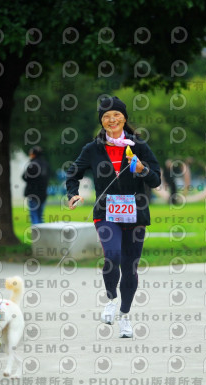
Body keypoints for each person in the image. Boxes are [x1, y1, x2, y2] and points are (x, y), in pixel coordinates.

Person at [66, 96, 161, 338]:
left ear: (124, 118)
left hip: (136, 213)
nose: (112, 120)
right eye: (106, 116)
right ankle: (111, 298)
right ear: (102, 121)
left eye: (116, 115)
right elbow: (73, 173)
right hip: (106, 212)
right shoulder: (92, 149)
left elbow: (156, 179)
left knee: (130, 267)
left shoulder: (139, 146)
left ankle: (125, 316)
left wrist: (142, 169)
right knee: (112, 255)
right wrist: (73, 194)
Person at [22, 146, 50, 224]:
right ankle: (42, 231)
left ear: (34, 154)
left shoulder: (33, 164)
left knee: (34, 216)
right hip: (43, 193)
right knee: (40, 216)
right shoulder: (45, 164)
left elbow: (24, 177)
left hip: (33, 193)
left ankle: (36, 231)